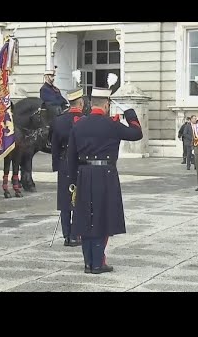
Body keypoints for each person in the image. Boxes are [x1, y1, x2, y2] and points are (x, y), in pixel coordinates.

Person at [67, 87, 143, 274]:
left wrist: (74, 181)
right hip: (105, 174)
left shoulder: (78, 125)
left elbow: (71, 156)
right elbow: (136, 134)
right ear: (107, 105)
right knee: (102, 217)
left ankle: (88, 263)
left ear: (91, 104)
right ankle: (98, 263)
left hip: (84, 174)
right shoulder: (112, 125)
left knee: (86, 217)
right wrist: (130, 114)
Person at [51, 88, 84, 247]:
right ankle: (76, 234)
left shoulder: (59, 120)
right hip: (81, 162)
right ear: (81, 102)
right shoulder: (84, 119)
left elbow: (54, 146)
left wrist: (56, 165)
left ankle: (67, 236)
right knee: (79, 199)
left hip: (64, 163)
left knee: (65, 201)